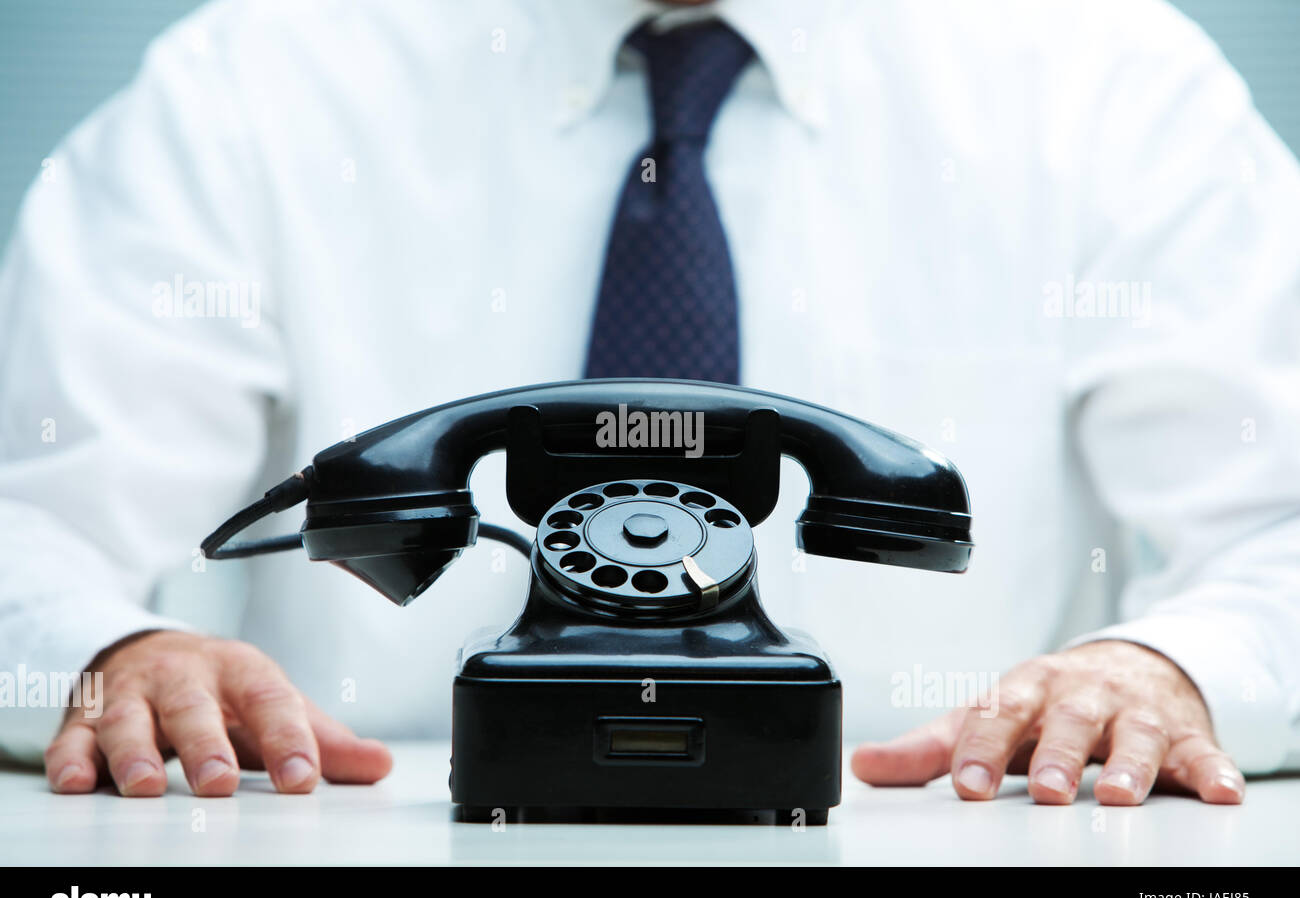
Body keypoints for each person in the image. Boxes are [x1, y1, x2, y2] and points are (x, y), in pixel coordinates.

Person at [2, 0, 1297, 807]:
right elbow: (29, 525)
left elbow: (1278, 529)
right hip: (371, 833)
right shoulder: (247, 79)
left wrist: (1165, 669)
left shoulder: (1117, 83)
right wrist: (111, 653)